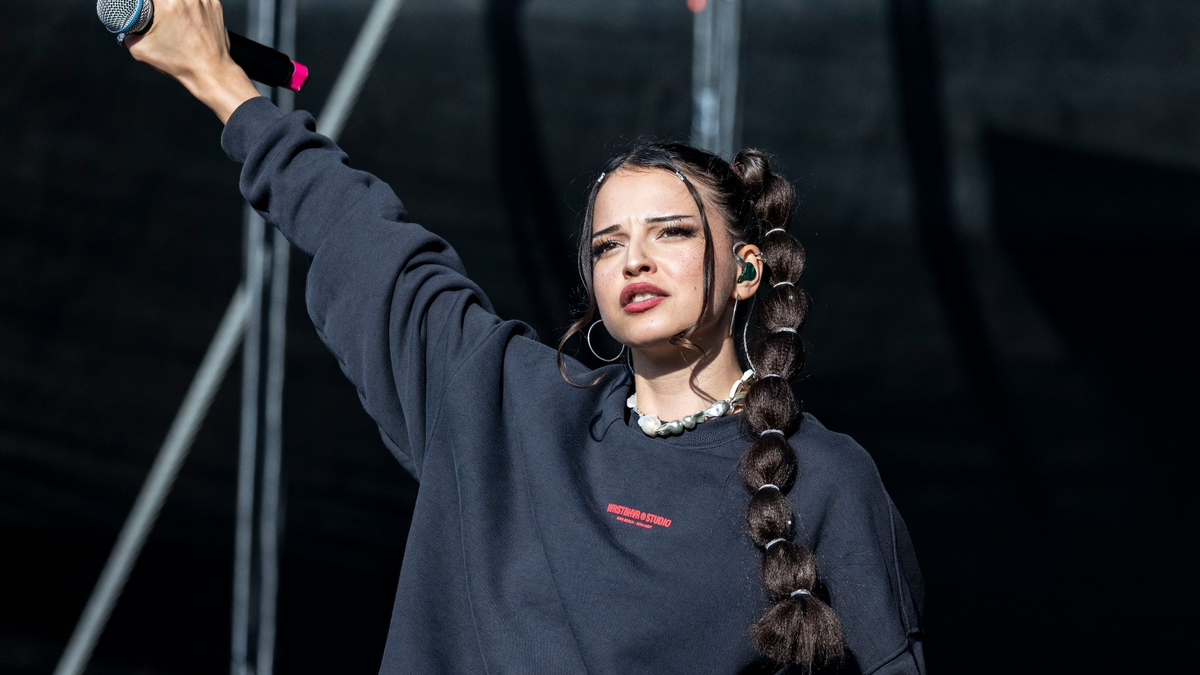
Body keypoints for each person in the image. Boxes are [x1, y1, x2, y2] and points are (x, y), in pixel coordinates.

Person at [125, 2, 925, 673]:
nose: (634, 259)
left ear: (747, 270)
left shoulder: (823, 480)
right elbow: (358, 234)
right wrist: (219, 80)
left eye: (672, 231)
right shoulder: (504, 405)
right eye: (607, 245)